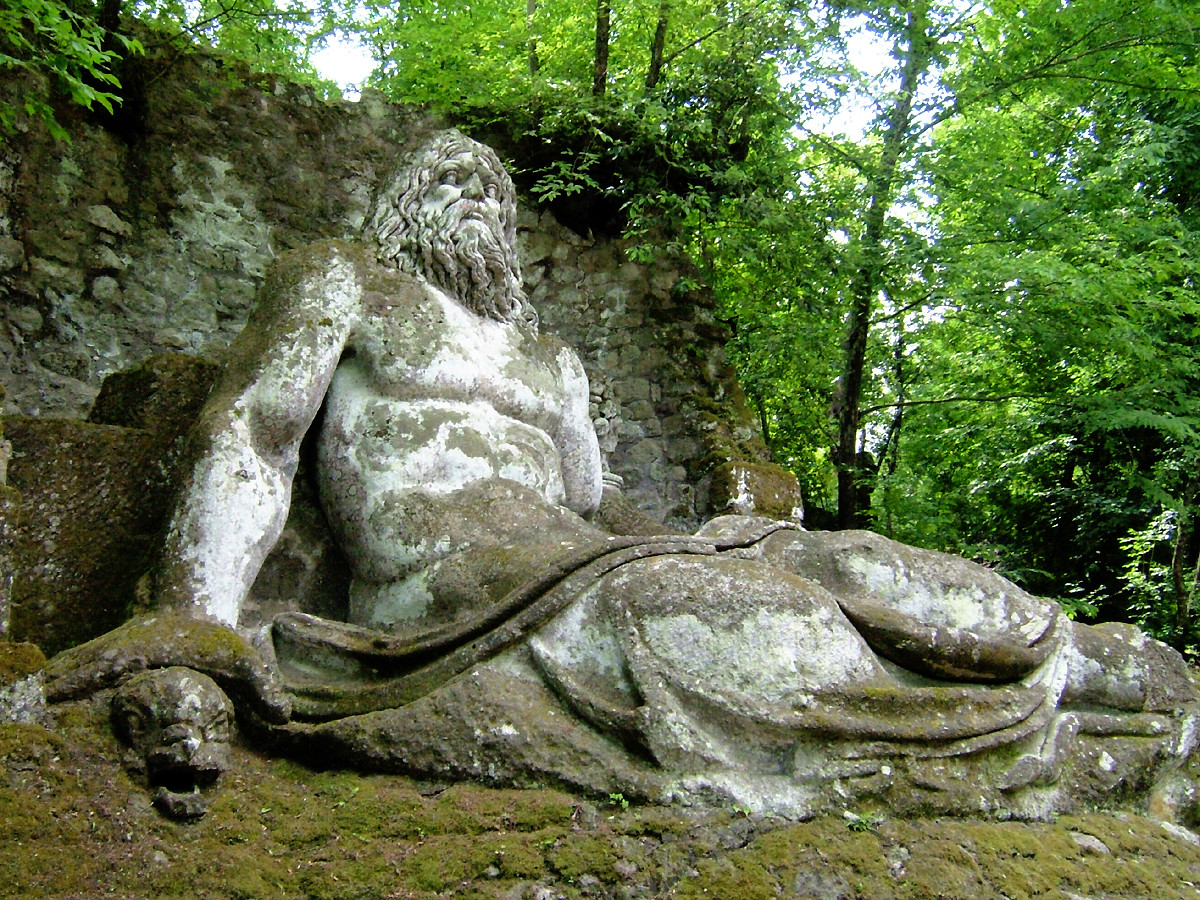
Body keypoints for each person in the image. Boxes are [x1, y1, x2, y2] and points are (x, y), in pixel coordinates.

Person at [76, 130, 1200, 817]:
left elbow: (597, 503)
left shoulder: (549, 357)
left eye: (497, 186)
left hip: (590, 552)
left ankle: (1093, 666)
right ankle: (1034, 727)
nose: (480, 185)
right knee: (722, 614)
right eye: (450, 170)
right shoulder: (347, 282)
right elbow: (256, 434)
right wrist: (199, 630)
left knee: (842, 560)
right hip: (463, 589)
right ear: (398, 200)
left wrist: (724, 528)